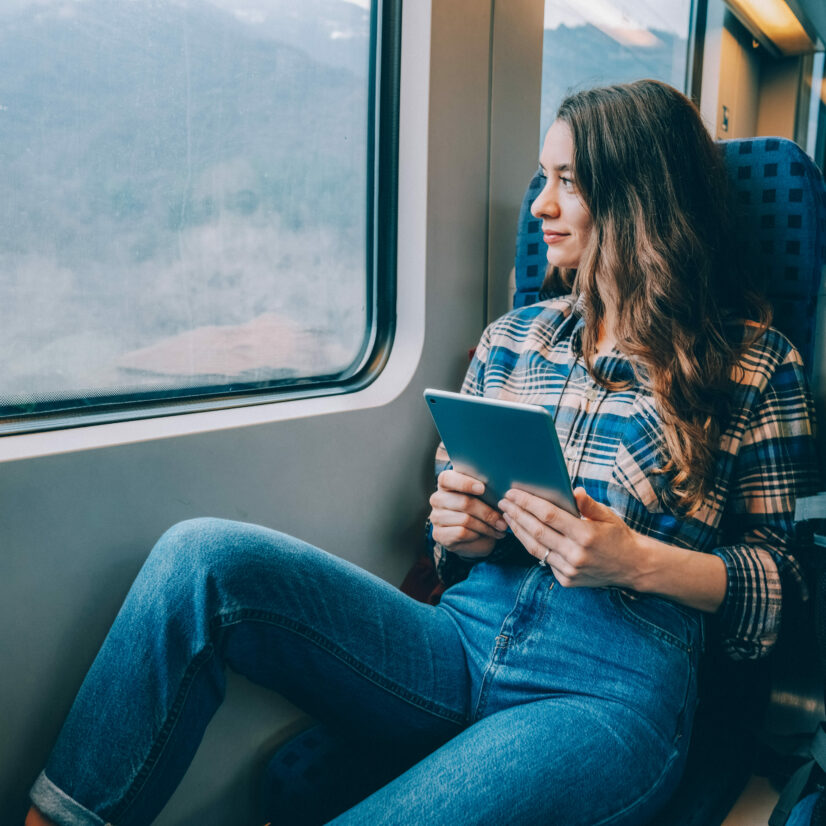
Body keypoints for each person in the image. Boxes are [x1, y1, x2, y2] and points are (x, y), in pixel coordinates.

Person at [27, 79, 819, 826]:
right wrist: (456, 531)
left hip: (606, 690)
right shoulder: (514, 341)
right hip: (457, 639)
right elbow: (456, 537)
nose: (539, 205)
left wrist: (635, 560)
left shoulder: (756, 364)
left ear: (639, 198)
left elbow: (778, 591)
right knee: (200, 557)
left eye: (568, 182)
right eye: (540, 178)